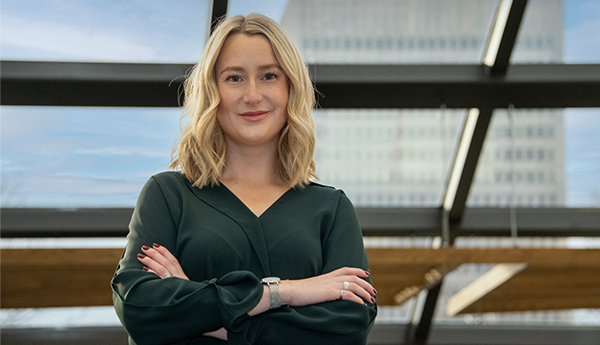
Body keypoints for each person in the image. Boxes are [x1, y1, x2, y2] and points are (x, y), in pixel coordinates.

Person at [111, 13, 377, 345]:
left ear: (290, 87)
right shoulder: (168, 196)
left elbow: (349, 326)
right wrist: (286, 292)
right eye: (234, 78)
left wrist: (205, 316)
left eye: (268, 76)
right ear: (212, 92)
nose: (252, 95)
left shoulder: (331, 208)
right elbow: (140, 306)